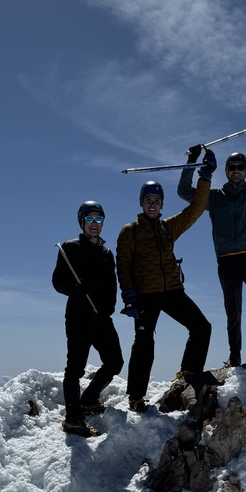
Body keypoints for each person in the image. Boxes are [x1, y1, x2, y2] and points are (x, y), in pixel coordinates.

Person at [178, 118, 246, 370]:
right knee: (233, 309)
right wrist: (192, 162)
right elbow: (184, 192)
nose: (236, 171)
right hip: (227, 259)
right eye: (232, 167)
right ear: (226, 171)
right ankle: (235, 355)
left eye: (240, 167)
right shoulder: (214, 198)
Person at [116, 149, 216, 412]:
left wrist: (205, 178)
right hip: (145, 295)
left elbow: (195, 210)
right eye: (148, 200)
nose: (153, 204)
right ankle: (136, 396)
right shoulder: (130, 232)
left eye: (157, 201)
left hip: (172, 291)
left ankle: (189, 373)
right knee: (144, 342)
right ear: (141, 203)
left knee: (202, 327)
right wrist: (129, 296)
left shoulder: (168, 228)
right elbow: (123, 265)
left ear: (162, 205)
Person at [52, 201, 124, 437]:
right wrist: (74, 289)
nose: (94, 224)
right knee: (75, 368)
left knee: (115, 361)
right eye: (90, 219)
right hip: (78, 316)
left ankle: (89, 399)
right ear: (82, 222)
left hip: (101, 317)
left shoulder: (106, 253)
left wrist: (110, 307)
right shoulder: (70, 248)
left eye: (98, 219)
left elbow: (112, 283)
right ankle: (73, 419)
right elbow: (57, 281)